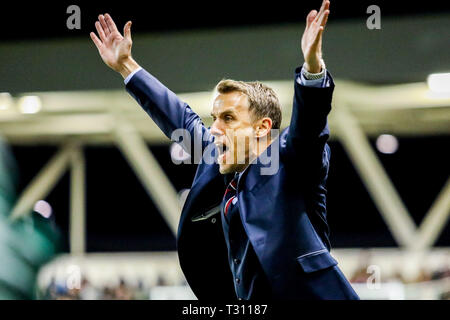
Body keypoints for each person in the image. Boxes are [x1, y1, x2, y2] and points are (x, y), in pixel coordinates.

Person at [90, 0, 359, 300]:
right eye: (215, 118)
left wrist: (312, 70)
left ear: (262, 128)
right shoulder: (216, 157)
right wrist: (126, 65)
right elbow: (179, 118)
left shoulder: (290, 162)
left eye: (228, 118)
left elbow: (308, 130)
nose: (215, 128)